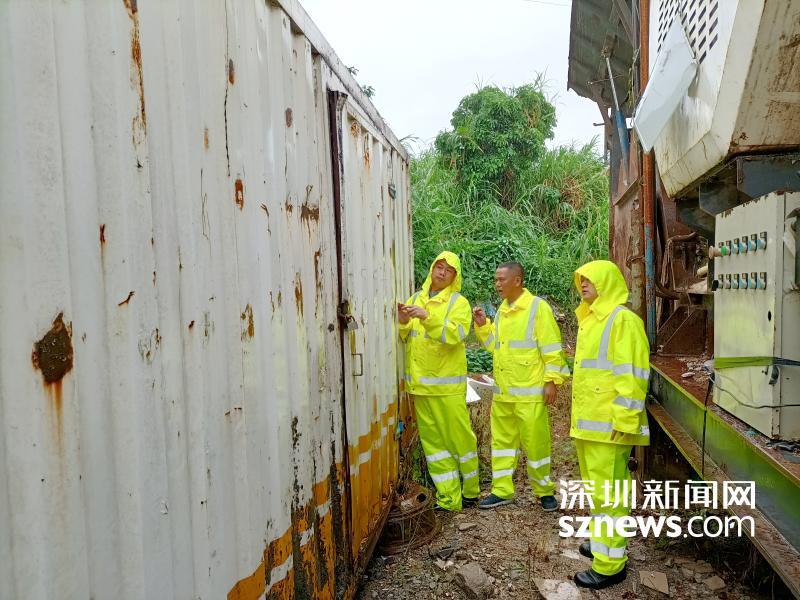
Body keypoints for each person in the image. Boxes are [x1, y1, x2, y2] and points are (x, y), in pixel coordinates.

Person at [570, 260, 650, 590]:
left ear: (608, 282)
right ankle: (603, 543)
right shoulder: (591, 321)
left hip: (609, 427)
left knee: (610, 497)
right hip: (590, 426)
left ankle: (610, 563)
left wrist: (626, 420)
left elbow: (632, 375)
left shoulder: (623, 321)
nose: (583, 284)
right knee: (599, 494)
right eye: (581, 280)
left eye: (590, 279)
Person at [473, 262, 570, 511]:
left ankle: (544, 491)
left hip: (529, 392)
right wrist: (484, 326)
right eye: (495, 280)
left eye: (501, 280)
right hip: (504, 393)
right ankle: (502, 489)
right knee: (502, 444)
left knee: (536, 443)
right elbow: (496, 345)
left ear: (517, 280)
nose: (497, 285)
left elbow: (551, 348)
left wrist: (552, 381)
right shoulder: (503, 311)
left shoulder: (538, 308)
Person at [398, 251, 479, 511]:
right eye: (439, 266)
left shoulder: (458, 303)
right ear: (432, 268)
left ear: (455, 277)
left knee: (460, 441)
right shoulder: (416, 298)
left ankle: (470, 492)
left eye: (448, 270)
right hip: (420, 387)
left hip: (446, 387)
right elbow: (406, 336)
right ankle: (449, 499)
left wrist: (426, 317)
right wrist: (402, 320)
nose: (442, 272)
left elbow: (455, 334)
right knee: (434, 447)